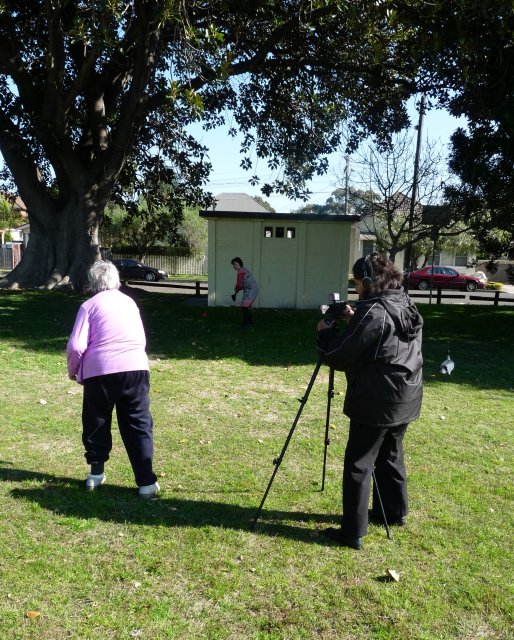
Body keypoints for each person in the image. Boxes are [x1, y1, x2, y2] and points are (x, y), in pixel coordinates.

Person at [316, 253, 423, 550]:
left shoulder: (374, 311)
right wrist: (355, 320)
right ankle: (394, 512)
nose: (355, 289)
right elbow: (386, 340)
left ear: (366, 281)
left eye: (356, 282)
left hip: (377, 399)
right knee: (390, 454)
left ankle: (352, 532)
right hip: (407, 395)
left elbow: (339, 354)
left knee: (359, 463)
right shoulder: (405, 304)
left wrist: (323, 335)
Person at [67, 260, 160, 497]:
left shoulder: (89, 306)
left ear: (93, 282)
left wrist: (73, 370)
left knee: (96, 420)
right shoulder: (130, 303)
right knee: (138, 423)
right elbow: (141, 338)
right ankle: (146, 482)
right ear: (116, 280)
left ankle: (96, 475)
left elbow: (77, 345)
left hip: (101, 371)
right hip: (136, 368)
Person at [231, 257, 259, 327]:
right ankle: (250, 322)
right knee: (246, 307)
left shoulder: (240, 272)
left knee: (244, 307)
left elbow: (238, 284)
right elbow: (243, 285)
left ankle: (245, 324)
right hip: (252, 289)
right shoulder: (244, 270)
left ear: (240, 264)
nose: (234, 266)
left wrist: (235, 292)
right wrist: (236, 292)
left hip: (251, 290)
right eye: (233, 264)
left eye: (236, 264)